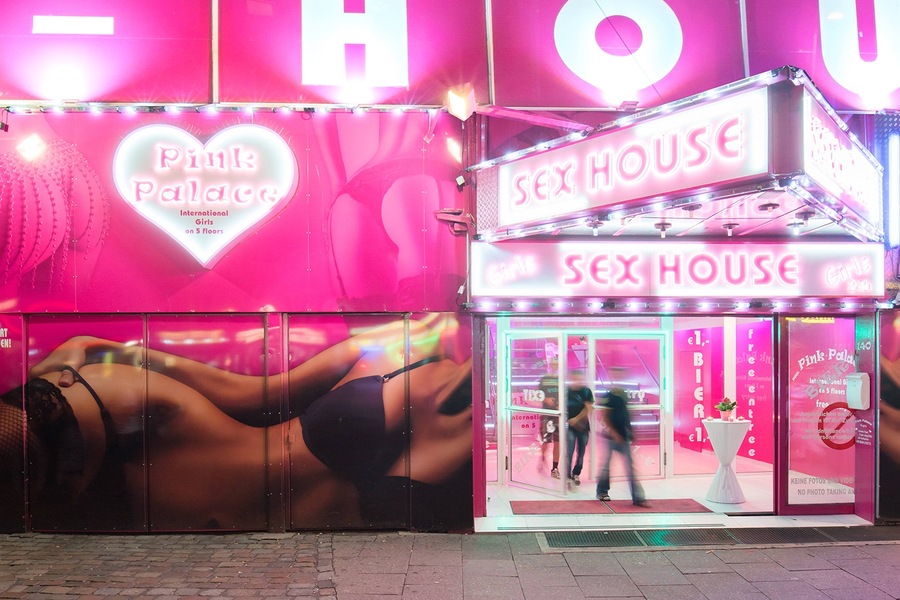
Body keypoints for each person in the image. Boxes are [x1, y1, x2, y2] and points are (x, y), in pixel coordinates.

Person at [2, 317, 473, 531]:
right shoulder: (404, 342)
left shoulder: (482, 441)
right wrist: (94, 345)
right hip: (166, 429)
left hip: (144, 507)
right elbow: (259, 393)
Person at [595, 387, 647, 506]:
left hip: (623, 436)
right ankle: (602, 491)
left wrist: (630, 430)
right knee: (606, 467)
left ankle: (638, 497)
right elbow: (605, 416)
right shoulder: (608, 396)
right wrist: (614, 433)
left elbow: (626, 414)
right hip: (610, 437)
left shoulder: (623, 395)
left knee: (630, 467)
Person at [564, 367, 593, 487]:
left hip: (583, 427)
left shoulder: (586, 391)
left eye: (579, 378)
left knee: (581, 453)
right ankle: (567, 477)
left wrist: (576, 419)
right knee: (569, 452)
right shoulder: (566, 391)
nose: (577, 380)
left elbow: (588, 408)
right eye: (575, 378)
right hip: (569, 427)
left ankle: (576, 473)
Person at [537, 374, 560, 478]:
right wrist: (546, 399)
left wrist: (560, 404)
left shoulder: (561, 378)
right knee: (546, 441)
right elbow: (537, 395)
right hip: (547, 414)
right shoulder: (544, 379)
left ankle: (555, 468)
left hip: (559, 415)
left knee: (558, 441)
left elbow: (566, 395)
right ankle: (542, 458)